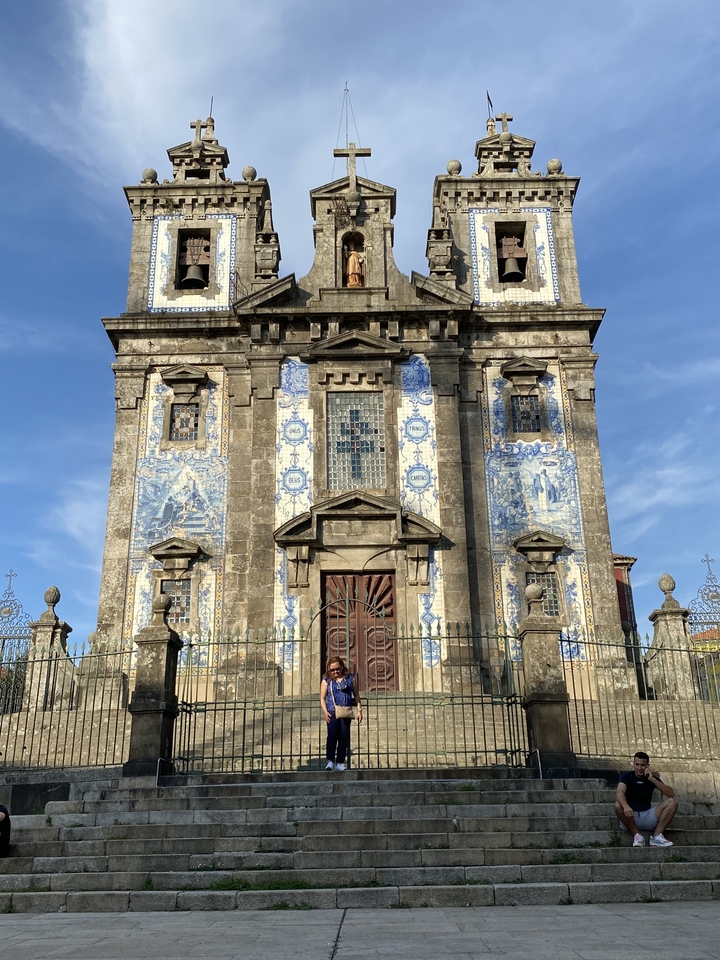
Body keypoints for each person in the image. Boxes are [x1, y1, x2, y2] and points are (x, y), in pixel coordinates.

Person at [615, 751, 678, 847]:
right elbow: (620, 792)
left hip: (647, 815)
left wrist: (652, 780)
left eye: (643, 765)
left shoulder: (651, 778)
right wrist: (626, 806)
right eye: (637, 764)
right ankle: (637, 835)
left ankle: (656, 836)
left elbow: (670, 794)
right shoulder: (627, 776)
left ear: (647, 765)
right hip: (630, 816)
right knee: (618, 805)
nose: (639, 768)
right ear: (634, 764)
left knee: (672, 802)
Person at [320, 656, 362, 771]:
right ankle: (330, 762)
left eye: (337, 669)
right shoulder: (326, 680)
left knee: (344, 738)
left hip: (346, 711)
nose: (335, 672)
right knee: (332, 736)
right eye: (332, 670)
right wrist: (325, 711)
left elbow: (356, 695)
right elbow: (322, 697)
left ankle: (339, 762)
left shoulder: (349, 678)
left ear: (342, 666)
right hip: (332, 712)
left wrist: (359, 710)